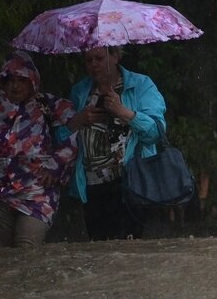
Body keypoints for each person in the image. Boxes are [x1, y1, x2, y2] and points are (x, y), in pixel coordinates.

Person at [0, 51, 79, 247]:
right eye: (10, 80)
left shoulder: (50, 106)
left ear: (32, 81)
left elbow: (76, 132)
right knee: (5, 257)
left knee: (26, 248)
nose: (15, 86)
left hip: (37, 192)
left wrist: (56, 165)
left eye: (21, 80)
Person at [62, 46, 166, 240]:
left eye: (99, 58)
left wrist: (123, 112)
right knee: (100, 250)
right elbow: (60, 136)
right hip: (92, 184)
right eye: (88, 60)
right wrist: (78, 120)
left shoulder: (141, 85)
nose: (93, 65)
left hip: (131, 180)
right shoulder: (80, 91)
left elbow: (155, 133)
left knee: (130, 249)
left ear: (116, 56)